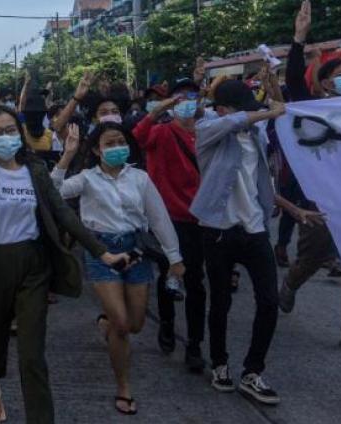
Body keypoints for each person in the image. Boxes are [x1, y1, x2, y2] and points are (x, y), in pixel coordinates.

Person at [0, 100, 128, 423]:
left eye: (10, 130)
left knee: (32, 355)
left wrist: (101, 252)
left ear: (20, 133)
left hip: (33, 267)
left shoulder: (35, 170)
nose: (5, 137)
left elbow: (63, 213)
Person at [52, 121, 185, 415]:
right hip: (101, 251)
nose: (117, 148)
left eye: (120, 142)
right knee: (123, 325)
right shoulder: (86, 178)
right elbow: (53, 191)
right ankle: (123, 386)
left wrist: (175, 258)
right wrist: (66, 155)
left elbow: (159, 217)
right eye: (109, 144)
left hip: (136, 249)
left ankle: (107, 325)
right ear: (98, 151)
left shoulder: (139, 178)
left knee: (135, 323)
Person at [278, 0, 341, 358]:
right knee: (312, 257)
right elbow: (292, 83)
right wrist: (299, 39)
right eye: (340, 74)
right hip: (320, 201)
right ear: (327, 82)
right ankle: (290, 283)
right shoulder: (311, 108)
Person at [191, 78, 287, 405]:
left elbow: (261, 178)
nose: (251, 112)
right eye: (243, 107)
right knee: (220, 301)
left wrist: (273, 87)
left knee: (269, 301)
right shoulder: (207, 130)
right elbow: (237, 120)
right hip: (218, 228)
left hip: (255, 228)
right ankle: (219, 363)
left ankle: (252, 371)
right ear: (222, 109)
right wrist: (264, 112)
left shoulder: (257, 134)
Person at [132, 77, 207, 372]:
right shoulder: (161, 133)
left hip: (201, 219)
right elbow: (135, 137)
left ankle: (195, 344)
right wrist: (156, 111)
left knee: (196, 283)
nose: (186, 101)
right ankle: (166, 323)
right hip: (168, 220)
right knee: (169, 275)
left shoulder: (206, 132)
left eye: (192, 96)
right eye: (179, 97)